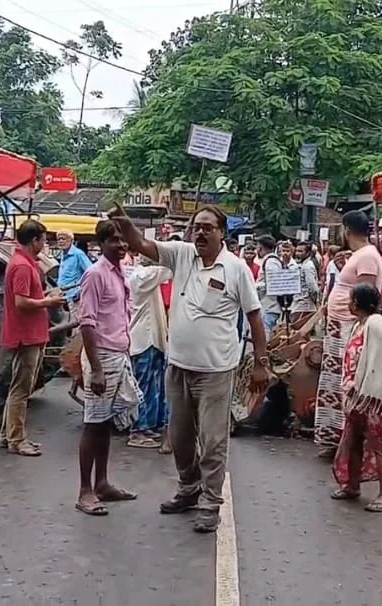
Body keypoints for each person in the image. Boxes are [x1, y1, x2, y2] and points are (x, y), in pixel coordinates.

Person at [108, 203, 269, 533]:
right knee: (180, 437)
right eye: (197, 227)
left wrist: (260, 363)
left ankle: (210, 502)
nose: (200, 233)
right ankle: (189, 487)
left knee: (212, 441)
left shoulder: (236, 269)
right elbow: (141, 244)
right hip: (178, 366)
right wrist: (125, 224)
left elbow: (254, 317)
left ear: (222, 233)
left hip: (216, 371)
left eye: (208, 227)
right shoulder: (182, 254)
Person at [76, 220, 142, 516]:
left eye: (123, 239)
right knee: (93, 423)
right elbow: (87, 323)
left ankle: (101, 483)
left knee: (104, 424)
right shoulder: (95, 274)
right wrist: (96, 368)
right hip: (101, 356)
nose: (121, 244)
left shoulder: (120, 272)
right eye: (114, 240)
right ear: (101, 244)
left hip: (118, 354)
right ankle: (85, 491)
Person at [314, 211, 382, 459]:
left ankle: (348, 441)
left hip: (348, 328)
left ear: (346, 230)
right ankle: (336, 438)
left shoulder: (367, 257)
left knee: (347, 385)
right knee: (336, 385)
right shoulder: (361, 255)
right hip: (340, 327)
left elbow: (365, 296)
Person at [329, 283, 382, 512]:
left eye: (351, 300)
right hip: (357, 398)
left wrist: (374, 384)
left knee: (380, 445)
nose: (349, 304)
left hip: (374, 399)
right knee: (353, 442)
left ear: (357, 303)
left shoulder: (377, 324)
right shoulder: (360, 324)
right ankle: (352, 486)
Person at [0, 220, 66, 457]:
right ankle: (17, 440)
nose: (44, 245)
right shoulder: (22, 266)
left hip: (30, 333)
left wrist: (46, 297)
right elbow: (21, 302)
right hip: (26, 335)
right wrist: (48, 301)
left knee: (18, 388)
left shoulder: (25, 263)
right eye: (43, 240)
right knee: (21, 389)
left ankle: (8, 434)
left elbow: (28, 296)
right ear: (34, 240)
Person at [127, 256, 173, 451]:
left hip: (151, 339)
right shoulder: (143, 276)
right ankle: (138, 430)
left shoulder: (143, 275)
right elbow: (172, 267)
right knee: (143, 386)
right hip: (144, 339)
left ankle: (148, 426)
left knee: (152, 387)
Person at [56, 231, 92, 320]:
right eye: (59, 239)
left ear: (71, 240)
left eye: (63, 239)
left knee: (76, 322)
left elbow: (91, 272)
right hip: (64, 296)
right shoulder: (63, 254)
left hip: (74, 297)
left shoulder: (78, 254)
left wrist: (80, 290)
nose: (61, 241)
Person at [255, 235, 287, 338]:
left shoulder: (271, 262)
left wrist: (256, 287)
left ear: (260, 247)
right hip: (267, 305)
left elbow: (274, 283)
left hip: (270, 305)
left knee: (266, 336)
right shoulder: (269, 260)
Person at [291, 241, 321, 326]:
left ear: (308, 253)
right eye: (297, 251)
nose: (297, 254)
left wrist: (315, 301)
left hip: (305, 305)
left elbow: (313, 288)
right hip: (300, 304)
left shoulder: (308, 266)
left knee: (300, 331)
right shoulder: (302, 264)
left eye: (301, 251)